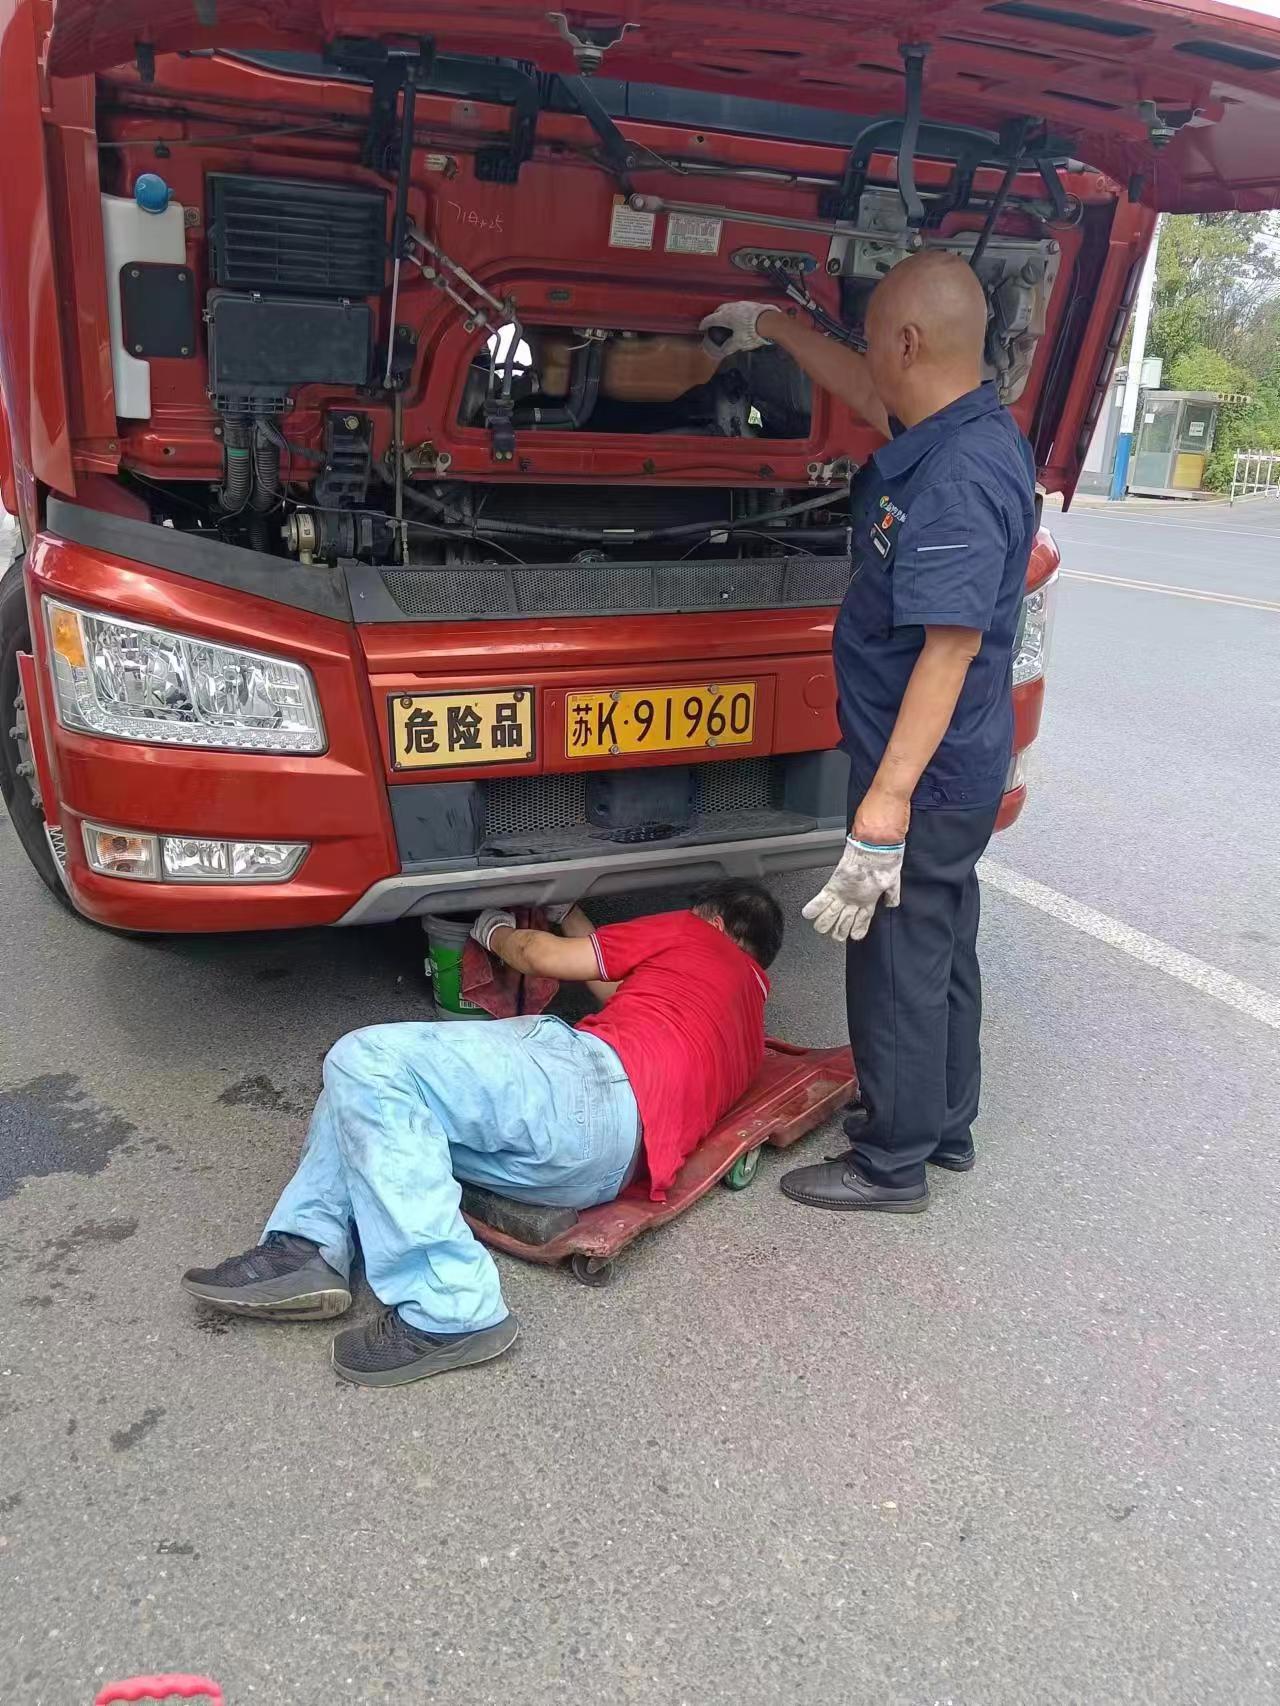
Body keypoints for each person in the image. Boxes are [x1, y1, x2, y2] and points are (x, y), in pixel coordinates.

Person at [702, 249, 1035, 1215]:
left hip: (923, 771)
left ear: (909, 343)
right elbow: (860, 386)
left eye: (877, 340)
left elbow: (949, 648)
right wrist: (770, 328)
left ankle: (891, 1164)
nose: (871, 359)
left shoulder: (957, 477)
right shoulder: (962, 427)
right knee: (940, 941)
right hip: (956, 762)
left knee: (893, 959)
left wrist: (885, 806)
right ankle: (945, 1126)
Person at [181, 881, 783, 1387]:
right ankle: (306, 1246)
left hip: (589, 1090)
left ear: (713, 920)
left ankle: (452, 1306)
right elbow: (621, 988)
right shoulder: (745, 1022)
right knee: (361, 1093)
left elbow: (540, 956)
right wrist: (569, 909)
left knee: (366, 1059)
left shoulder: (692, 934)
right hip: (601, 1167)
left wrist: (492, 928)